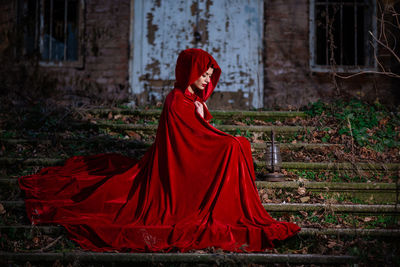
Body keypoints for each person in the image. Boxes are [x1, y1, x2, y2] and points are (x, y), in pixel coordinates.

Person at [19, 48, 300, 252]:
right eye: (202, 74)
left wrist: (204, 116)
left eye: (209, 75)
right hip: (174, 171)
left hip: (188, 161)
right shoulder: (176, 101)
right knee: (234, 145)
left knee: (236, 143)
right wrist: (226, 139)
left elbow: (199, 136)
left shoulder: (191, 100)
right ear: (189, 71)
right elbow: (188, 144)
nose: (206, 79)